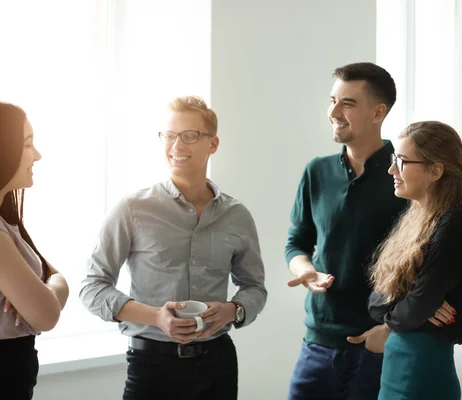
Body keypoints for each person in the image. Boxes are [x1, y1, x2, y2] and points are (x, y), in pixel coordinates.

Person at [80, 95, 267, 400]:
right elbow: (92, 287)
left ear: (213, 144)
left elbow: (255, 288)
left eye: (190, 136)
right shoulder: (132, 209)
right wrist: (156, 317)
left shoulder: (237, 215)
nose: (177, 146)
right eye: (169, 135)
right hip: (152, 366)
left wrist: (233, 310)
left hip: (218, 364)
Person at [284, 62, 408, 400]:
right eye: (332, 100)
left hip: (379, 347)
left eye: (348, 103)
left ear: (378, 112)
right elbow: (296, 243)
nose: (334, 112)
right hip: (317, 344)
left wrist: (390, 331)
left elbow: (426, 261)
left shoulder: (405, 176)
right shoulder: (316, 172)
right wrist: (305, 270)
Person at [367, 121, 462, 400]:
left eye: (401, 161)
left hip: (421, 372)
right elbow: (376, 302)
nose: (392, 170)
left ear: (435, 170)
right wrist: (411, 303)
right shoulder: (418, 219)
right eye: (393, 160)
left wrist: (411, 305)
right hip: (398, 366)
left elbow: (413, 307)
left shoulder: (456, 225)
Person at [0, 102, 70, 400]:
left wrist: (46, 287)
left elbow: (55, 277)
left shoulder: (7, 223)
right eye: (28, 144)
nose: (37, 155)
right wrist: (45, 292)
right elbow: (46, 315)